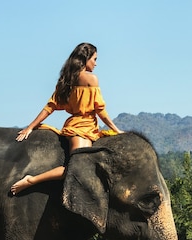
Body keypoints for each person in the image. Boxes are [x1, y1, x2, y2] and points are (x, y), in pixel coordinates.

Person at [10, 42, 123, 195]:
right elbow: (100, 111)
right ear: (86, 58)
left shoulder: (67, 80)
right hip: (82, 128)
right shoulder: (91, 79)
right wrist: (117, 130)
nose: (96, 64)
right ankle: (31, 180)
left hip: (76, 124)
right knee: (76, 168)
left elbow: (50, 107)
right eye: (94, 59)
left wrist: (31, 126)